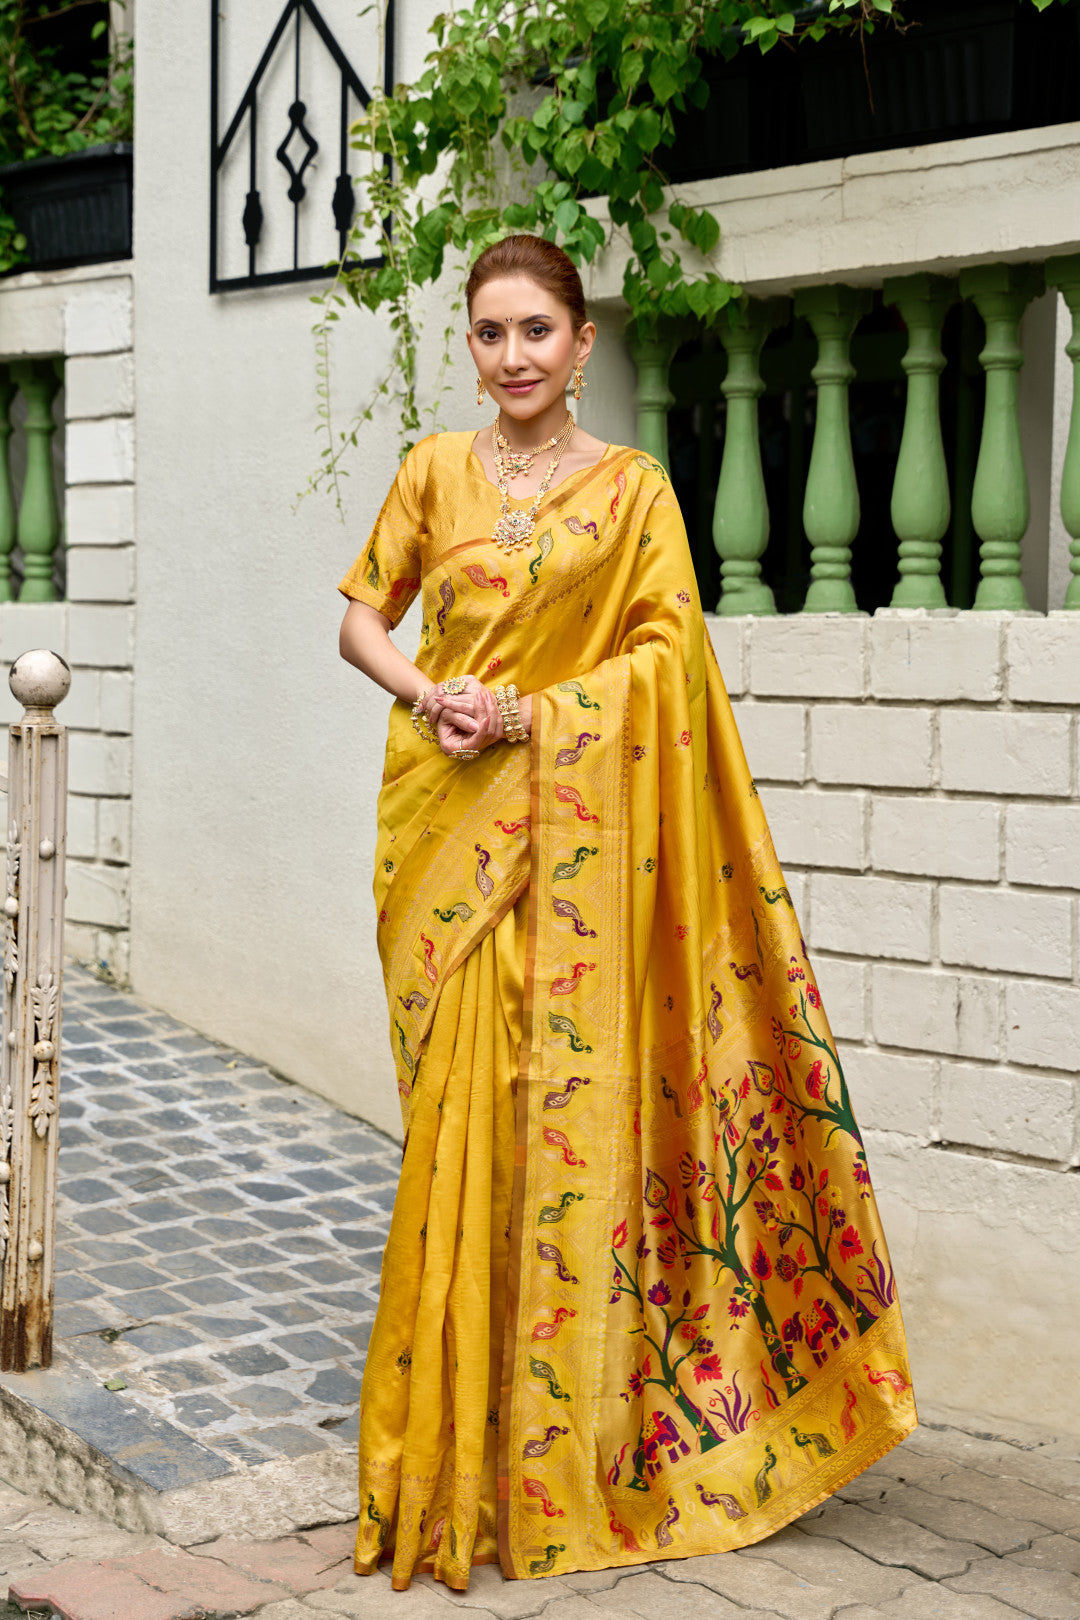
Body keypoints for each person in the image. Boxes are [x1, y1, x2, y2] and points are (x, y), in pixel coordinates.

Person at [336, 234, 915, 1592]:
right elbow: (365, 618)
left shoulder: (635, 492)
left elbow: (667, 660)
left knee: (573, 1114)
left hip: (580, 837)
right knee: (460, 1128)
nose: (514, 356)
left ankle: (566, 1445)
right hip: (450, 830)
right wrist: (433, 697)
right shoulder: (432, 471)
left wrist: (538, 713)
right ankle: (456, 1442)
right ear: (468, 347)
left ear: (583, 344)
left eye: (537, 330)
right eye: (490, 333)